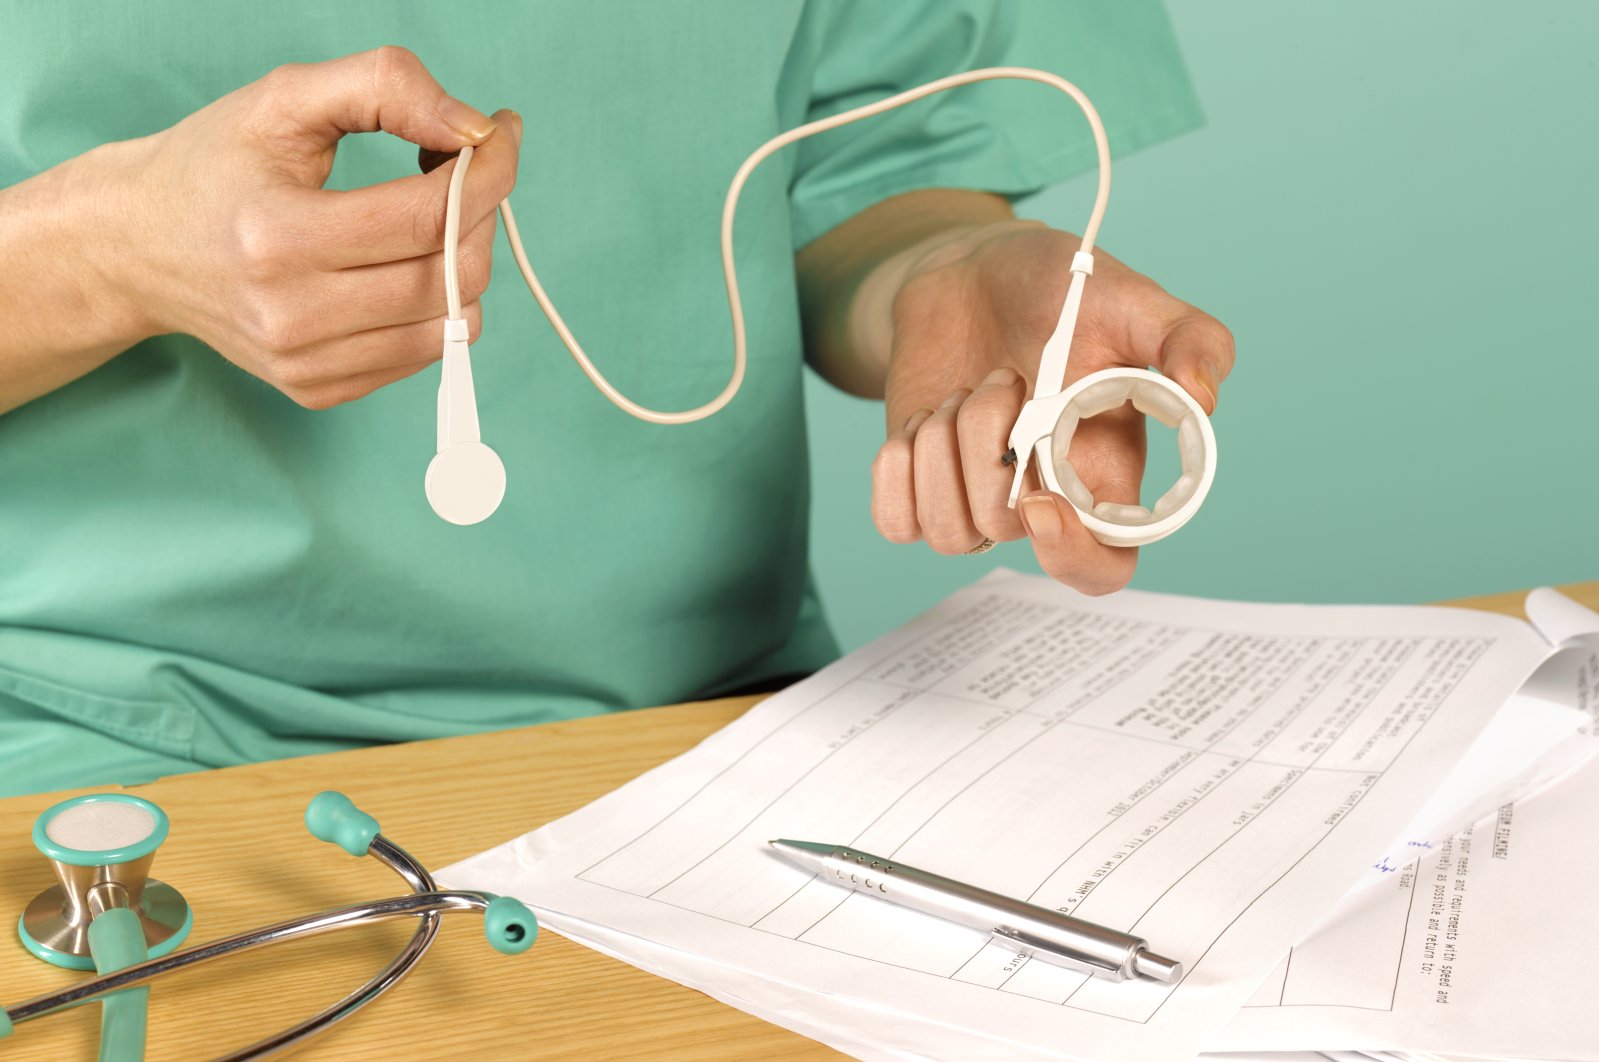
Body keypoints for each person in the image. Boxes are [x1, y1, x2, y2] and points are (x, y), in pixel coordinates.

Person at [0, 2, 1233, 796]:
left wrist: (953, 273)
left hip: (704, 741)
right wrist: (101, 256)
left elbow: (879, 156)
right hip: (93, 744)